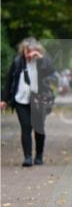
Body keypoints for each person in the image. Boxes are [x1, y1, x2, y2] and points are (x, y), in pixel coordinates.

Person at [3, 38, 56, 166]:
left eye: (33, 51)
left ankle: (39, 155)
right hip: (21, 100)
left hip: (38, 100)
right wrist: (3, 99)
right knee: (26, 127)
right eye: (28, 51)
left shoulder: (42, 62)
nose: (30, 54)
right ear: (23, 51)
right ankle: (27, 157)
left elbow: (51, 72)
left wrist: (40, 57)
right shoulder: (17, 62)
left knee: (39, 129)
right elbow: (9, 80)